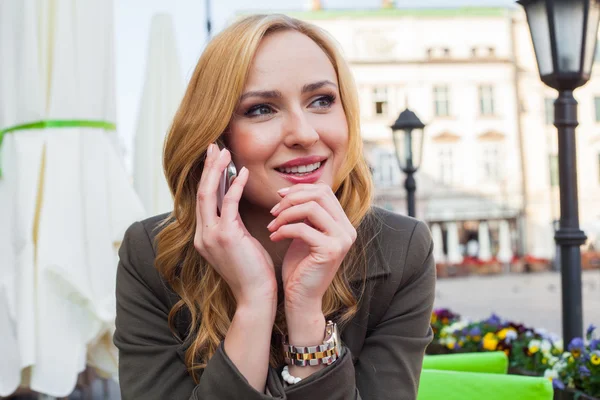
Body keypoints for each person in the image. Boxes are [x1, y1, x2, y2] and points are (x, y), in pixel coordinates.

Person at [113, 14, 436, 400]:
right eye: (262, 109)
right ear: (216, 136)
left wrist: (306, 313)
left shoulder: (402, 248)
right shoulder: (151, 253)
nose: (304, 133)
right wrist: (254, 302)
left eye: (322, 100)